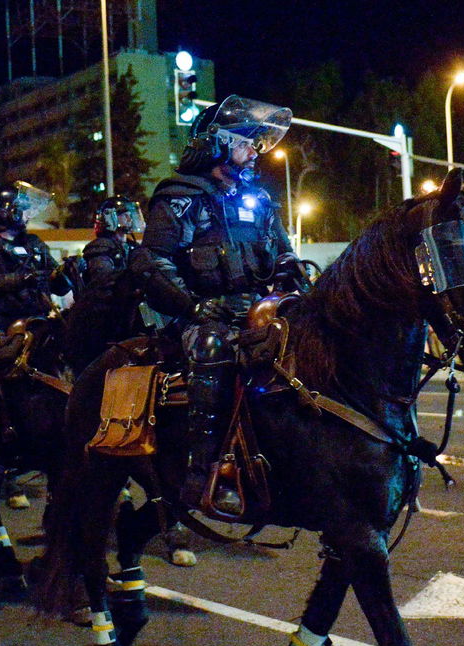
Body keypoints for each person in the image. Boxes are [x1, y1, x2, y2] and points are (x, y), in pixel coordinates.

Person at [129, 95, 296, 517]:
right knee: (214, 348)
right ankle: (203, 472)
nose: (254, 152)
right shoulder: (181, 197)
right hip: (200, 317)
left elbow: (284, 255)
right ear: (217, 142)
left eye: (257, 144)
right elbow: (152, 264)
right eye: (246, 142)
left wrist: (298, 281)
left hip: (257, 312)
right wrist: (192, 307)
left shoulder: (259, 200)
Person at [0, 183, 73, 469]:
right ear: (5, 212)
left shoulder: (34, 244)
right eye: (23, 209)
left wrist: (65, 273)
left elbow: (57, 284)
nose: (28, 215)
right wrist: (19, 279)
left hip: (37, 320)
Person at [65, 196, 147, 371]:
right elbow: (103, 279)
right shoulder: (100, 247)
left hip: (129, 311)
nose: (130, 218)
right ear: (110, 218)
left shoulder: (133, 247)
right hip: (104, 318)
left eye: (131, 214)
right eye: (125, 215)